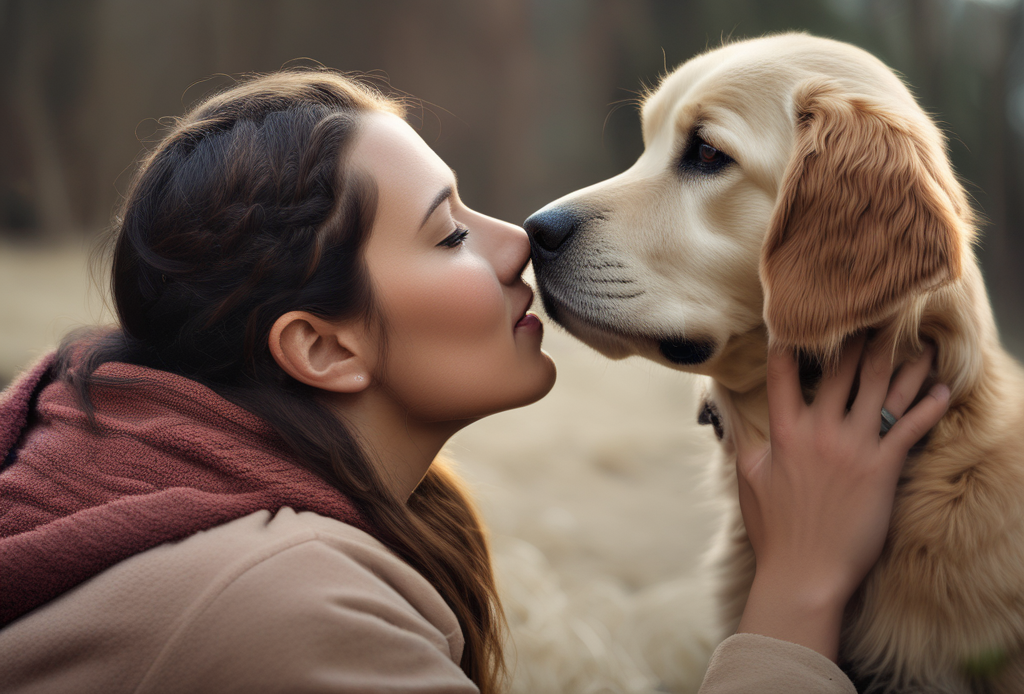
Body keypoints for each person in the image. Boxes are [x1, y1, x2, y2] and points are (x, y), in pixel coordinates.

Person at [0, 70, 949, 693]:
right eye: (449, 233)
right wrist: (800, 588)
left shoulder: (185, 496)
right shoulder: (279, 605)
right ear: (323, 350)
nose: (519, 239)